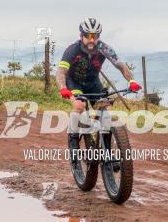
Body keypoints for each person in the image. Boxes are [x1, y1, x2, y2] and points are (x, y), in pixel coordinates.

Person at [56, 18, 141, 148]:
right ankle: (73, 142)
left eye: (94, 36)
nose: (91, 40)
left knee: (106, 110)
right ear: (81, 36)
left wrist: (132, 80)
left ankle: (106, 149)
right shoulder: (73, 49)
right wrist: (63, 88)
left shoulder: (104, 48)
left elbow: (120, 65)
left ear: (98, 37)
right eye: (87, 36)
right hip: (74, 82)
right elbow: (61, 72)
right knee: (79, 106)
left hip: (93, 82)